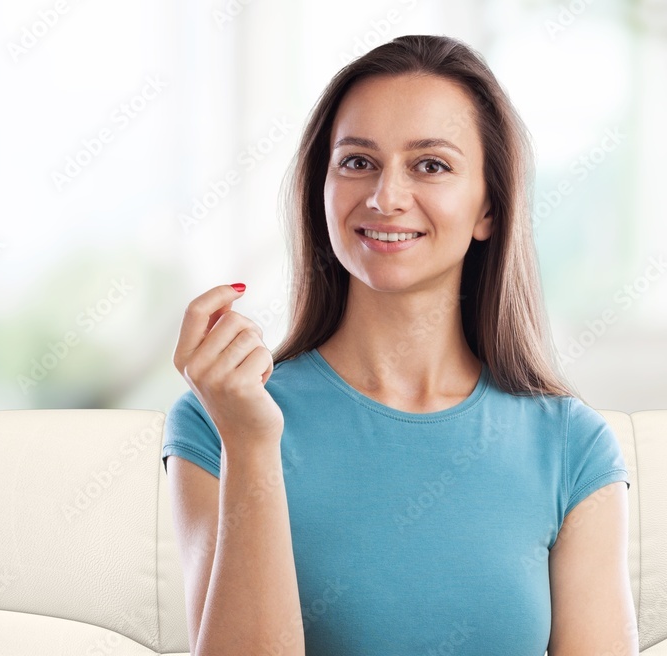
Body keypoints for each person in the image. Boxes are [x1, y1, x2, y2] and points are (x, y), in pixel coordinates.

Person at [161, 34, 637, 655]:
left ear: (489, 207)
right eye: (357, 162)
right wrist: (251, 446)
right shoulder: (218, 421)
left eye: (430, 165)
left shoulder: (571, 446)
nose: (385, 197)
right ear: (321, 190)